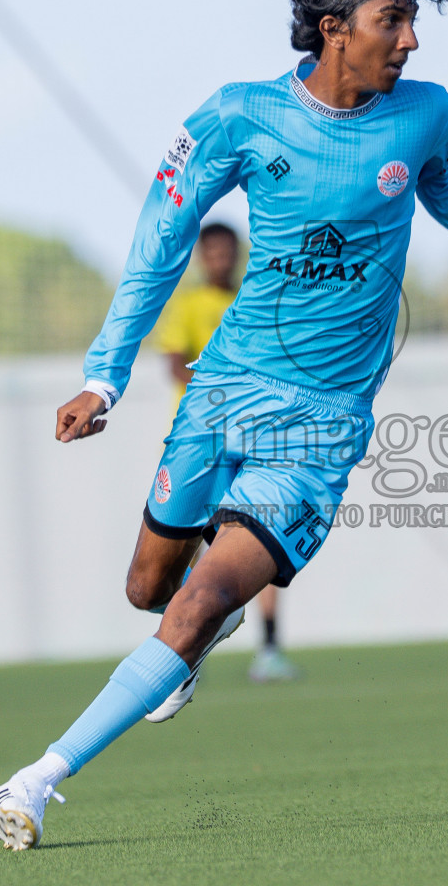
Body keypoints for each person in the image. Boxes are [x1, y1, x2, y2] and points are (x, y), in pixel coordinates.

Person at [0, 0, 448, 850]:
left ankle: (34, 783)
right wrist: (104, 379)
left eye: (413, 20)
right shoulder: (240, 115)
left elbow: (447, 185)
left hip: (320, 430)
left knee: (198, 603)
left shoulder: (424, 114)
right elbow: (158, 248)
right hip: (223, 392)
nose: (409, 39)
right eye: (392, 19)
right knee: (149, 587)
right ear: (334, 28)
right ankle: (187, 644)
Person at [156, 223, 301, 682]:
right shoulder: (190, 305)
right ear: (202, 257)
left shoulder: (256, 299)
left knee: (257, 536)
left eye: (227, 250)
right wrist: (223, 386)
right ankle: (186, 644)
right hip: (204, 439)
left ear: (238, 253)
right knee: (194, 550)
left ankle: (270, 648)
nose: (220, 258)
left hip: (257, 439)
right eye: (212, 251)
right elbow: (175, 362)